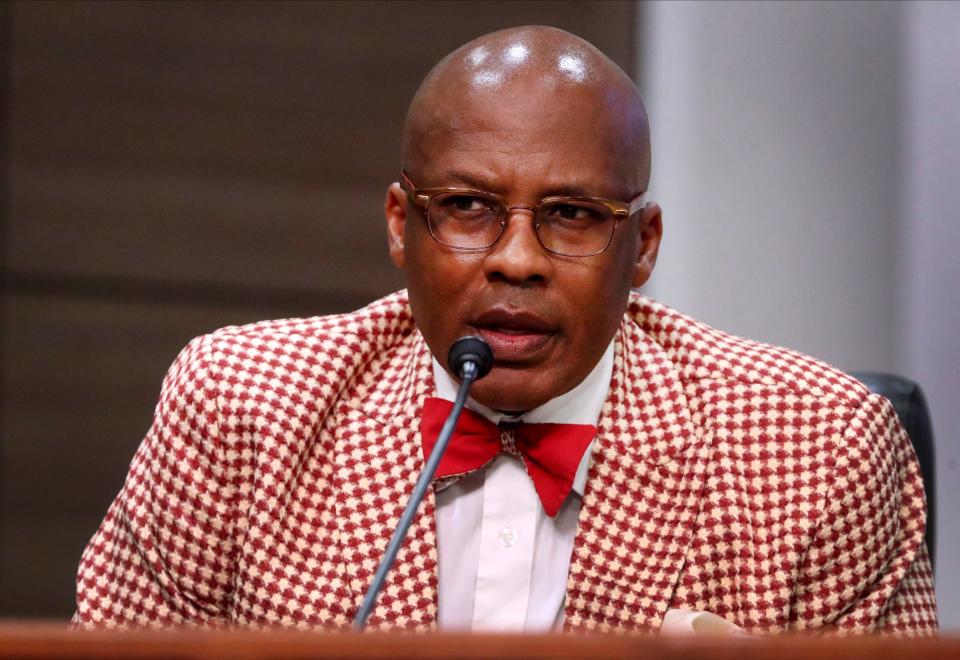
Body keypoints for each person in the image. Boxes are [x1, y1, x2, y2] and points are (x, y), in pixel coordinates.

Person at [73, 26, 937, 635]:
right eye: (468, 209)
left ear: (643, 247)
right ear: (398, 224)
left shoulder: (819, 447)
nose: (516, 261)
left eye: (570, 214)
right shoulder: (240, 408)